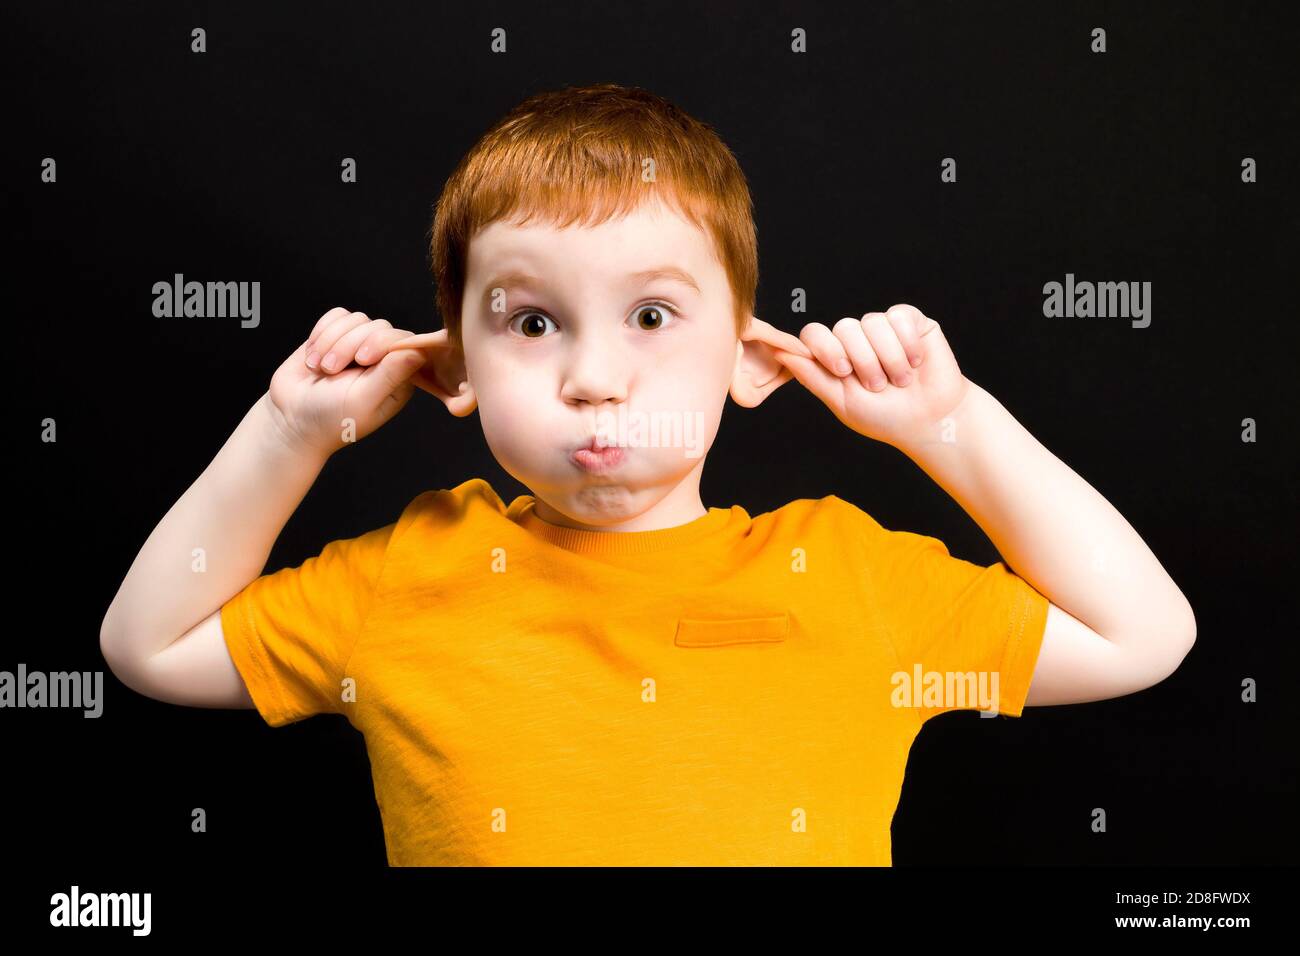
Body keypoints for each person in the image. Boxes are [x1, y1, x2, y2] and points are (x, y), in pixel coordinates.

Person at [100, 82, 1196, 865]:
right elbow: (146, 646)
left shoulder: (850, 575)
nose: (593, 375)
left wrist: (948, 423)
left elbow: (1143, 634)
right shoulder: (406, 575)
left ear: (752, 358)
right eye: (530, 320)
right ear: (453, 367)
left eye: (653, 315)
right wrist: (293, 430)